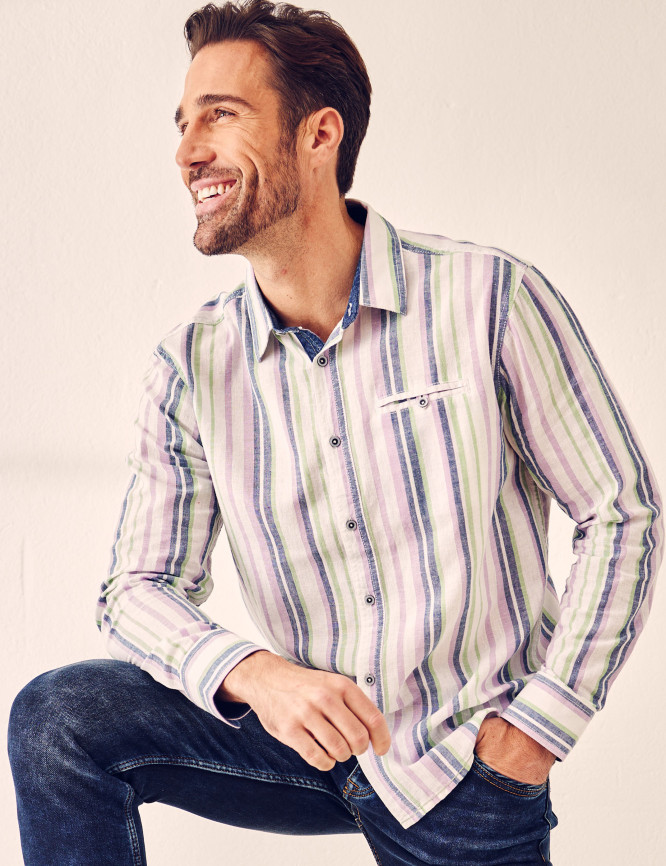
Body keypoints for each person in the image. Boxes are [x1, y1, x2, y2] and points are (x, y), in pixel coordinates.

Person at [8, 1, 663, 864]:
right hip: (303, 737)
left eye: (220, 115)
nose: (187, 152)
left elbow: (622, 513)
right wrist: (257, 676)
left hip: (461, 761)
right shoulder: (192, 364)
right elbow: (135, 588)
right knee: (59, 719)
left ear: (319, 135)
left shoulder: (487, 298)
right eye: (183, 123)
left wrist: (535, 733)